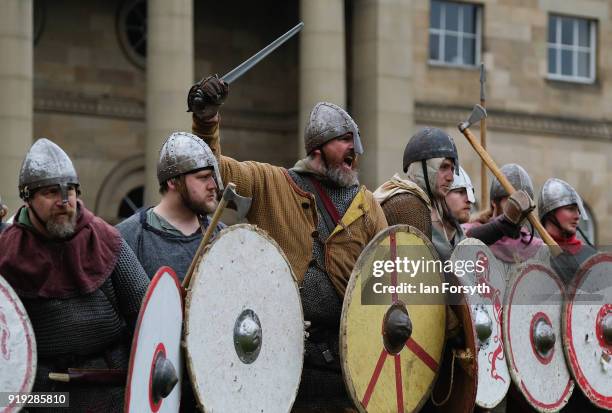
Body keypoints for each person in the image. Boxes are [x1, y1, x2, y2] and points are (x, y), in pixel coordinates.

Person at [187, 75, 388, 411]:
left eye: (355, 141)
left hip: (349, 365)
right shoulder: (273, 184)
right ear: (318, 148)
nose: (354, 148)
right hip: (281, 360)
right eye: (343, 140)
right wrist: (206, 121)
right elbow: (216, 171)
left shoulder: (367, 206)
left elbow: (388, 282)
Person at [0, 138, 149, 412]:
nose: (63, 201)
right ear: (27, 197)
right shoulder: (7, 252)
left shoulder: (105, 238)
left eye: (70, 190)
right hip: (42, 396)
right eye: (50, 192)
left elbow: (148, 316)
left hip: (109, 390)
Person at [117, 131, 225, 281]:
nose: (213, 186)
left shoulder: (222, 237)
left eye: (212, 177)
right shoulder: (128, 237)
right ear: (173, 181)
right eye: (203, 178)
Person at [375, 127, 461, 260]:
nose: (451, 177)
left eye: (452, 169)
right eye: (443, 167)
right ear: (422, 168)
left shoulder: (434, 206)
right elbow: (415, 271)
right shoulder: (407, 205)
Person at [463, 164, 540, 278]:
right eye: (512, 201)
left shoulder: (535, 245)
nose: (518, 208)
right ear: (495, 203)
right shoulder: (471, 231)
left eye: (523, 202)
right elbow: (460, 242)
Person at [538, 178, 597, 285]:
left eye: (578, 210)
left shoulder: (590, 256)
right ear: (550, 213)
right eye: (570, 209)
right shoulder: (532, 252)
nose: (577, 216)